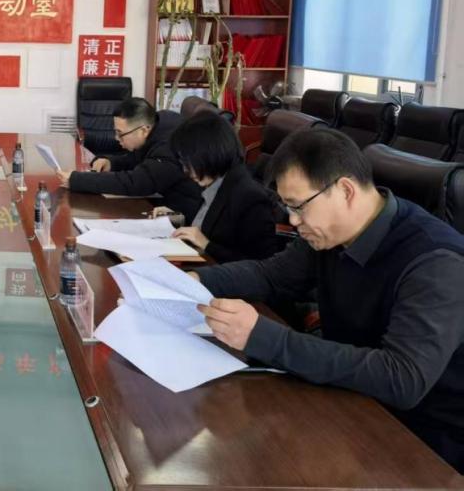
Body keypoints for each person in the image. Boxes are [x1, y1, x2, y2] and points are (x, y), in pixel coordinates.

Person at [193, 128, 464, 472]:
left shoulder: (436, 262)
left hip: (425, 444)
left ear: (346, 191)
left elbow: (401, 378)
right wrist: (196, 280)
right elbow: (271, 275)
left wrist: (263, 336)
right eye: (288, 207)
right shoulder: (330, 234)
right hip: (351, 398)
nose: (293, 221)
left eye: (299, 206)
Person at [153, 111, 286, 262]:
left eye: (188, 163)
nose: (185, 170)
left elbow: (260, 265)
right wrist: (178, 219)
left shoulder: (250, 198)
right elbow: (208, 224)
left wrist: (207, 245)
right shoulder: (215, 182)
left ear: (208, 154)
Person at [57, 97, 202, 223]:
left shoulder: (168, 147)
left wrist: (76, 179)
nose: (116, 138)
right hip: (161, 201)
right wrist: (111, 163)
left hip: (184, 214)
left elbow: (136, 182)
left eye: (120, 134)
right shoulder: (158, 121)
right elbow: (139, 157)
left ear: (143, 130)